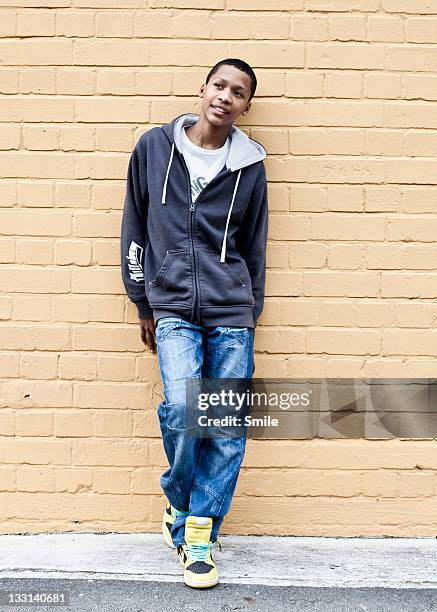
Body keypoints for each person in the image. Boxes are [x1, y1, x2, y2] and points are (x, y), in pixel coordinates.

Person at [120, 58, 268, 589]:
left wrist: (249, 308)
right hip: (173, 307)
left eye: (239, 92)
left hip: (232, 311)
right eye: (220, 85)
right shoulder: (154, 149)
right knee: (185, 409)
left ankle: (200, 535)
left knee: (226, 425)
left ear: (246, 105)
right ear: (202, 89)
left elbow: (253, 243)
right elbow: (135, 225)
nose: (226, 96)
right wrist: (143, 300)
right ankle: (179, 498)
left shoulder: (250, 166)